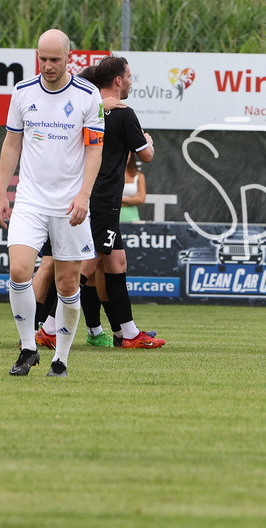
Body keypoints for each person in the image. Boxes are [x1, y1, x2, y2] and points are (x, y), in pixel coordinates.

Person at [0, 29, 104, 377]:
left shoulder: (88, 95)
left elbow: (94, 148)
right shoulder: (23, 92)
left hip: (68, 204)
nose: (48, 65)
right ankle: (28, 348)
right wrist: (1, 191)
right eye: (42, 58)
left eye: (55, 59)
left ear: (69, 57)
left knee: (68, 285)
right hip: (29, 200)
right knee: (18, 270)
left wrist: (84, 194)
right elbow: (12, 143)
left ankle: (62, 357)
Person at [78, 56, 163, 349]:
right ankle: (50, 326)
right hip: (103, 199)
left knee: (116, 262)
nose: (130, 82)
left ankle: (127, 332)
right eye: (128, 76)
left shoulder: (86, 110)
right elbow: (147, 155)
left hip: (85, 194)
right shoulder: (124, 113)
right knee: (85, 266)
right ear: (117, 80)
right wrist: (148, 141)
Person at [120, 154, 145, 223]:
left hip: (132, 217)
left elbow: (141, 199)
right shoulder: (109, 176)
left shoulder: (139, 176)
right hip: (113, 216)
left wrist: (119, 200)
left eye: (127, 154)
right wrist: (132, 200)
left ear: (131, 156)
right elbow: (108, 198)